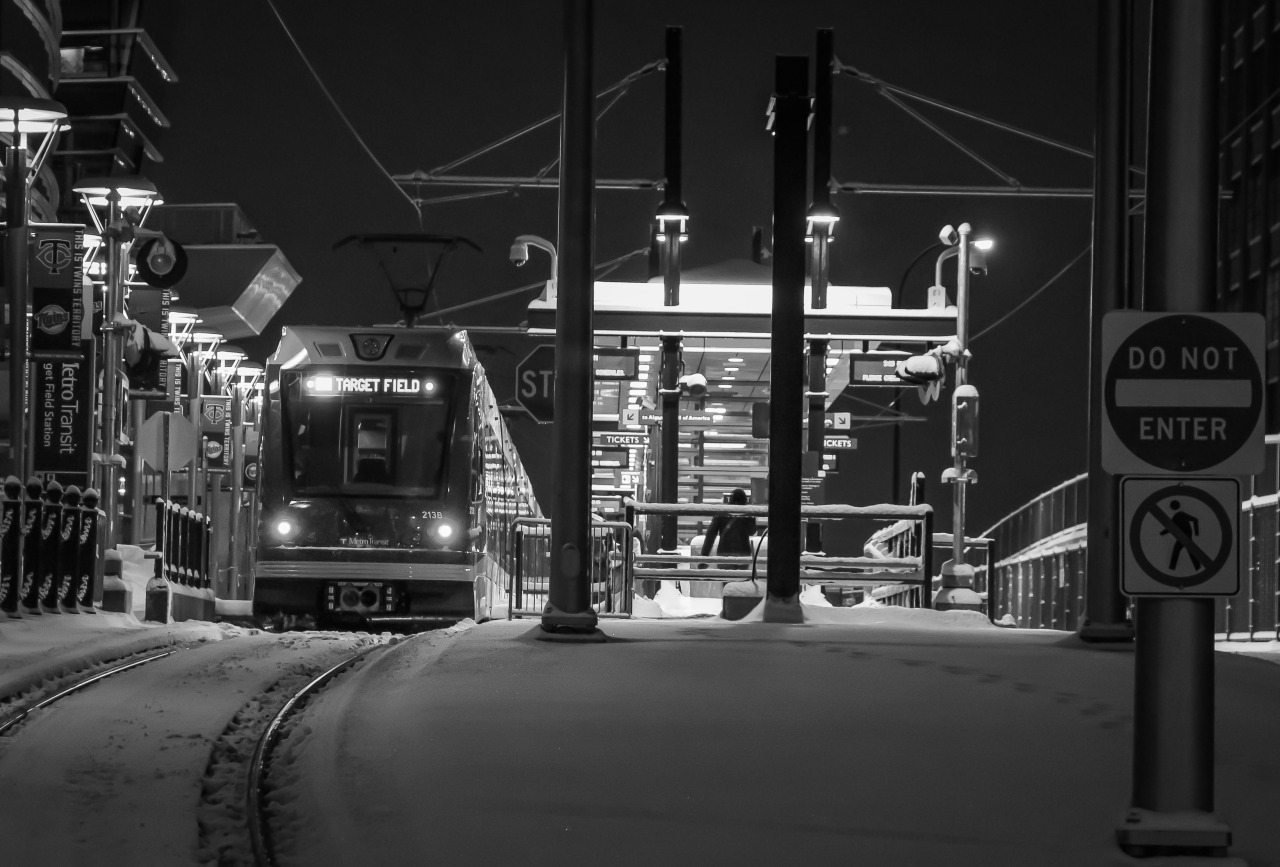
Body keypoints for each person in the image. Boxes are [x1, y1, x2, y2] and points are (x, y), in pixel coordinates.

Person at [701, 488, 756, 565]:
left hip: (724, 552)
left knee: (726, 576)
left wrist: (704, 556)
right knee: (741, 576)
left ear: (730, 499)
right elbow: (752, 531)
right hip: (743, 553)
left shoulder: (722, 512)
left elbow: (710, 535)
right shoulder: (747, 513)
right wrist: (751, 516)